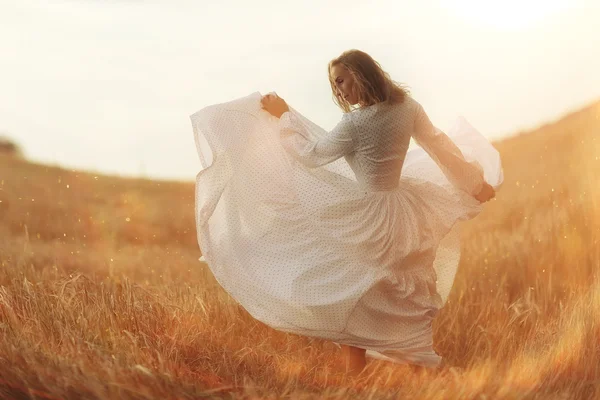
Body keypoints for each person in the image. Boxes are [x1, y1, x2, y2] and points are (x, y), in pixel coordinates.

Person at [190, 49, 502, 376]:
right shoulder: (408, 108)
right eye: (333, 85)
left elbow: (311, 154)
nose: (338, 91)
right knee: (402, 287)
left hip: (369, 215)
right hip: (403, 210)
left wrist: (283, 117)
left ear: (360, 74)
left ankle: (364, 371)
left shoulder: (356, 122)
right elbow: (440, 146)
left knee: (360, 286)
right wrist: (473, 183)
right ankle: (414, 367)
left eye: (341, 81)